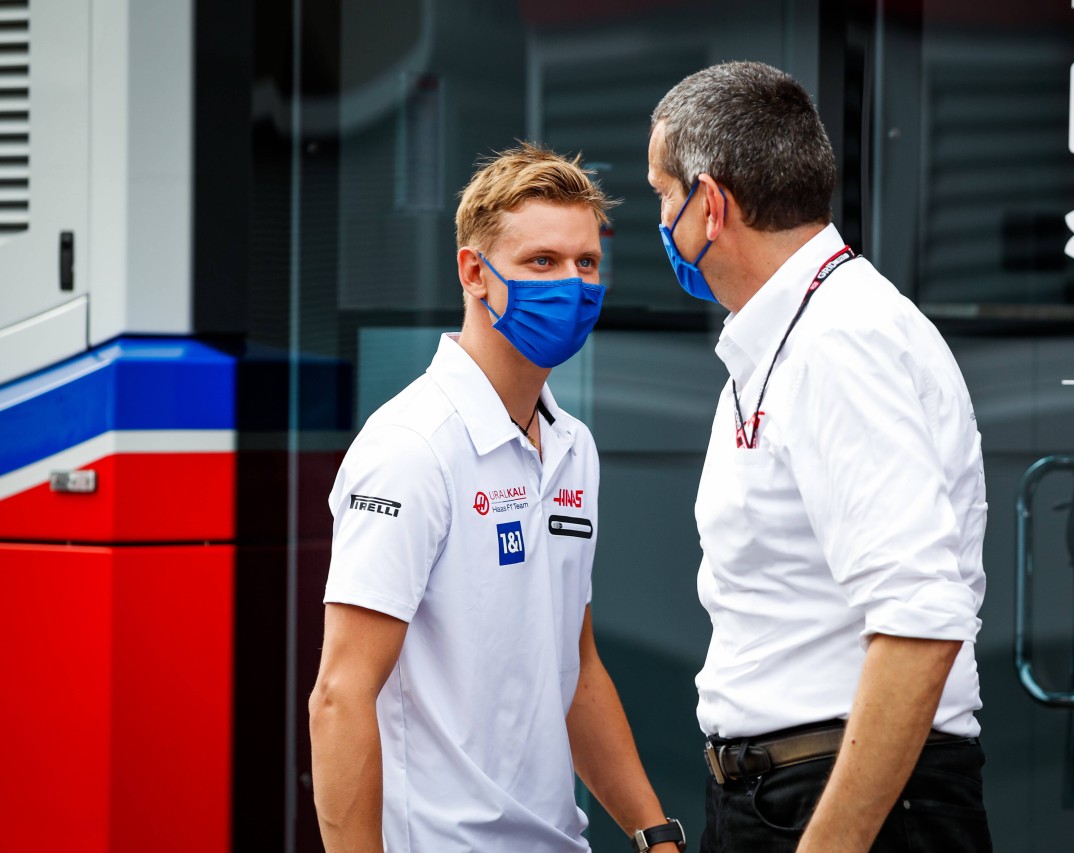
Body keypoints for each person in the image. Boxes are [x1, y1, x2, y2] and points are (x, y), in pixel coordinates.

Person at [648, 62, 991, 853]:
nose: (661, 220)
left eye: (665, 194)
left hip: (843, 803)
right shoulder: (789, 334)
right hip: (786, 796)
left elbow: (920, 622)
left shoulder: (841, 342)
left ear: (712, 202)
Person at [310, 142, 685, 853]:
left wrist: (655, 833)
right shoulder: (412, 446)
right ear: (475, 274)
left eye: (587, 264)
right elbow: (340, 695)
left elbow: (574, 673)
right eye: (542, 262)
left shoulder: (573, 446)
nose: (572, 285)